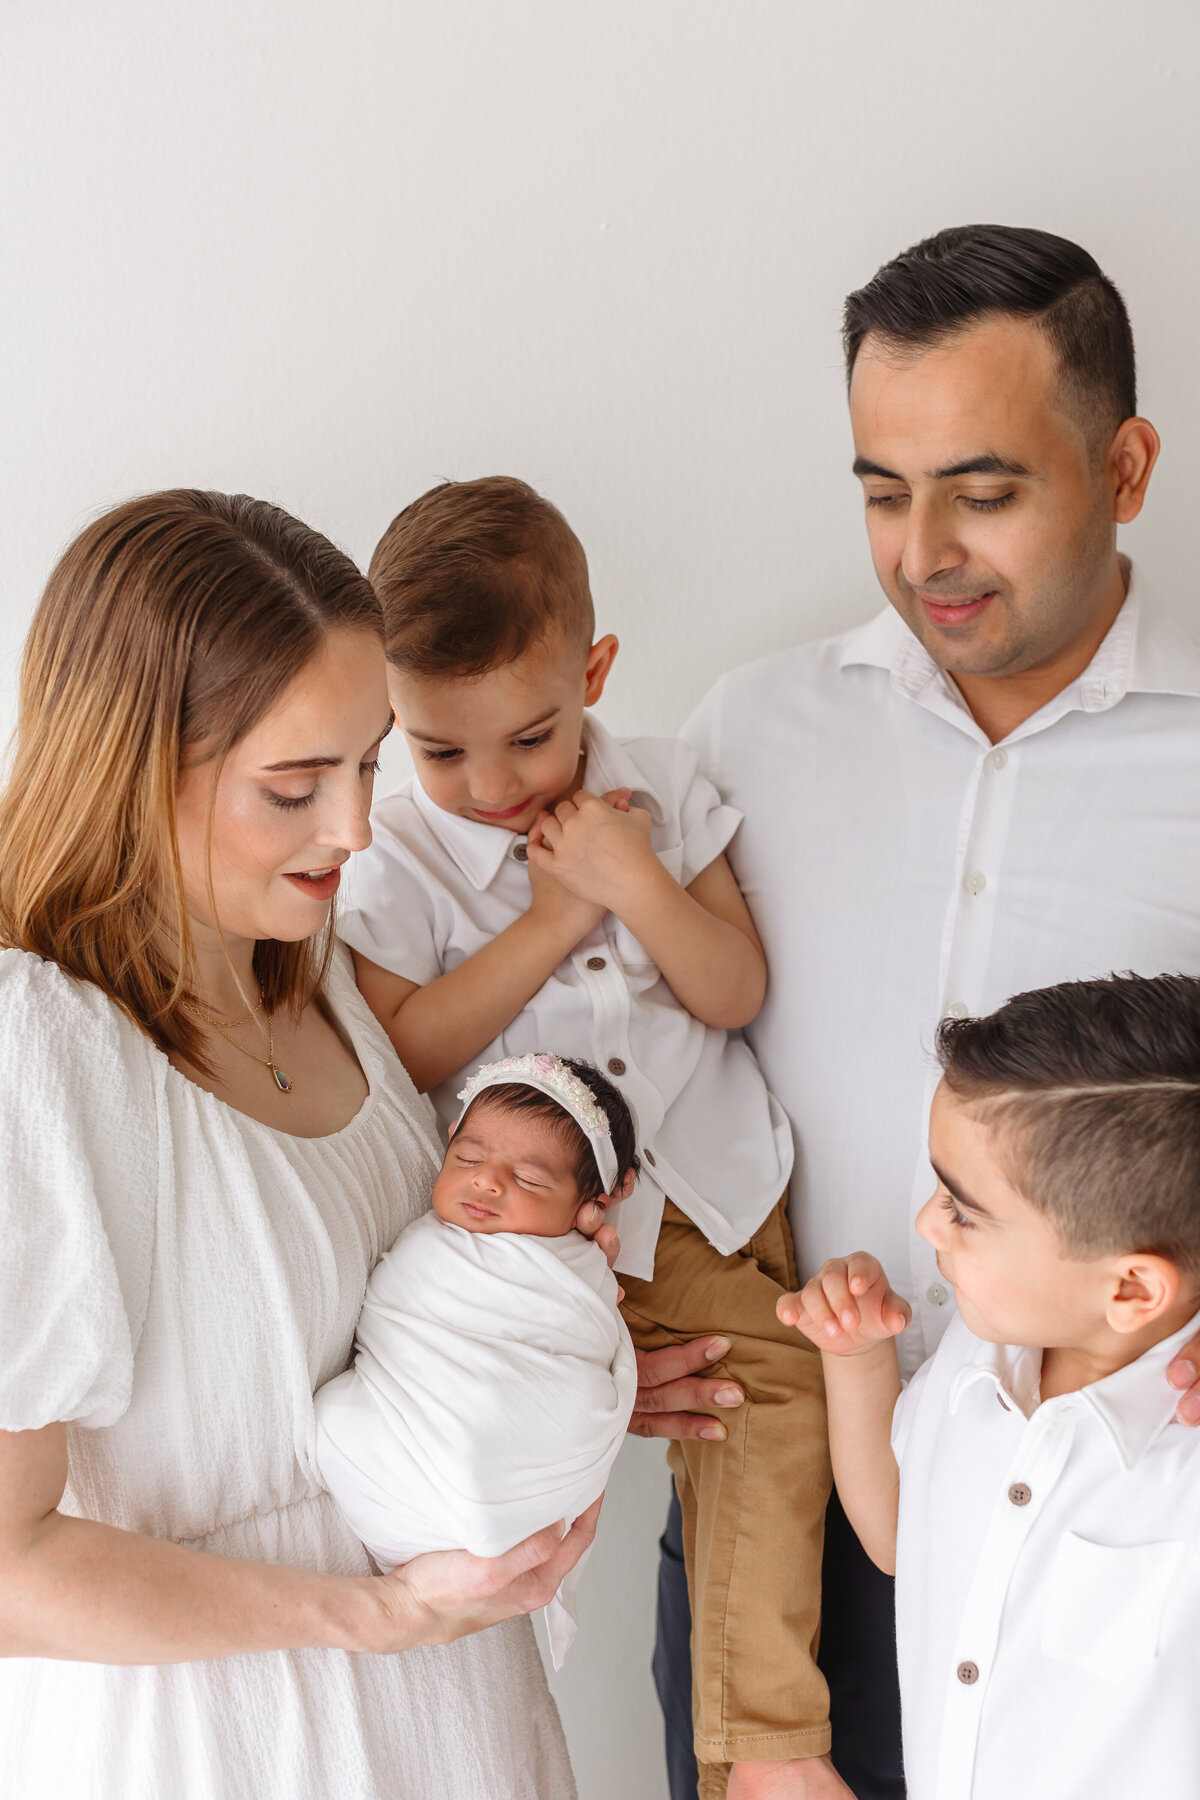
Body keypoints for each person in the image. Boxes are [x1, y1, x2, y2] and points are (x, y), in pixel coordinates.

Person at [679, 224, 1200, 1799]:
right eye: (882, 493)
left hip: (1120, 1529)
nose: (923, 553)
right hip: (776, 1510)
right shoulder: (746, 732)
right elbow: (641, 1074)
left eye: (983, 492)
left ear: (1123, 466)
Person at [0, 488, 613, 1800]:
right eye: (294, 787)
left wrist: (559, 1346)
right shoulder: (38, 1048)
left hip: (461, 1724)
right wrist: (378, 1618)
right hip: (229, 1748)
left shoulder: (314, 969)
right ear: (130, 767)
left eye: (370, 762)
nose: (354, 829)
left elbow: (376, 1325)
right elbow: (8, 1572)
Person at [340, 477, 838, 1800]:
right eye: (440, 750)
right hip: (536, 1250)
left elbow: (732, 991)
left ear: (596, 674)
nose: (490, 786)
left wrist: (632, 885)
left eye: (531, 738)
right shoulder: (395, 856)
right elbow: (411, 1051)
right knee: (497, 1472)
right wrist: (553, 924)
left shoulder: (666, 791)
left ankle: (767, 1755)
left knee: (772, 1423)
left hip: (718, 1204)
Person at [784, 973, 1200, 1799]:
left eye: (963, 1211)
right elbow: (905, 1538)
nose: (925, 1224)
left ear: (1130, 1291)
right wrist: (856, 1357)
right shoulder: (978, 1352)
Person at [314, 1054, 639, 1670]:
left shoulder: (575, 1272)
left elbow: (580, 1351)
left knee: (334, 1415)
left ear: (585, 1208)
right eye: (467, 1158)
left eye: (532, 1179)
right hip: (434, 1491)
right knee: (336, 1414)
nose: (488, 1181)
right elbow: (397, 1315)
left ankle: (476, 1499)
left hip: (518, 1472)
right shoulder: (431, 1243)